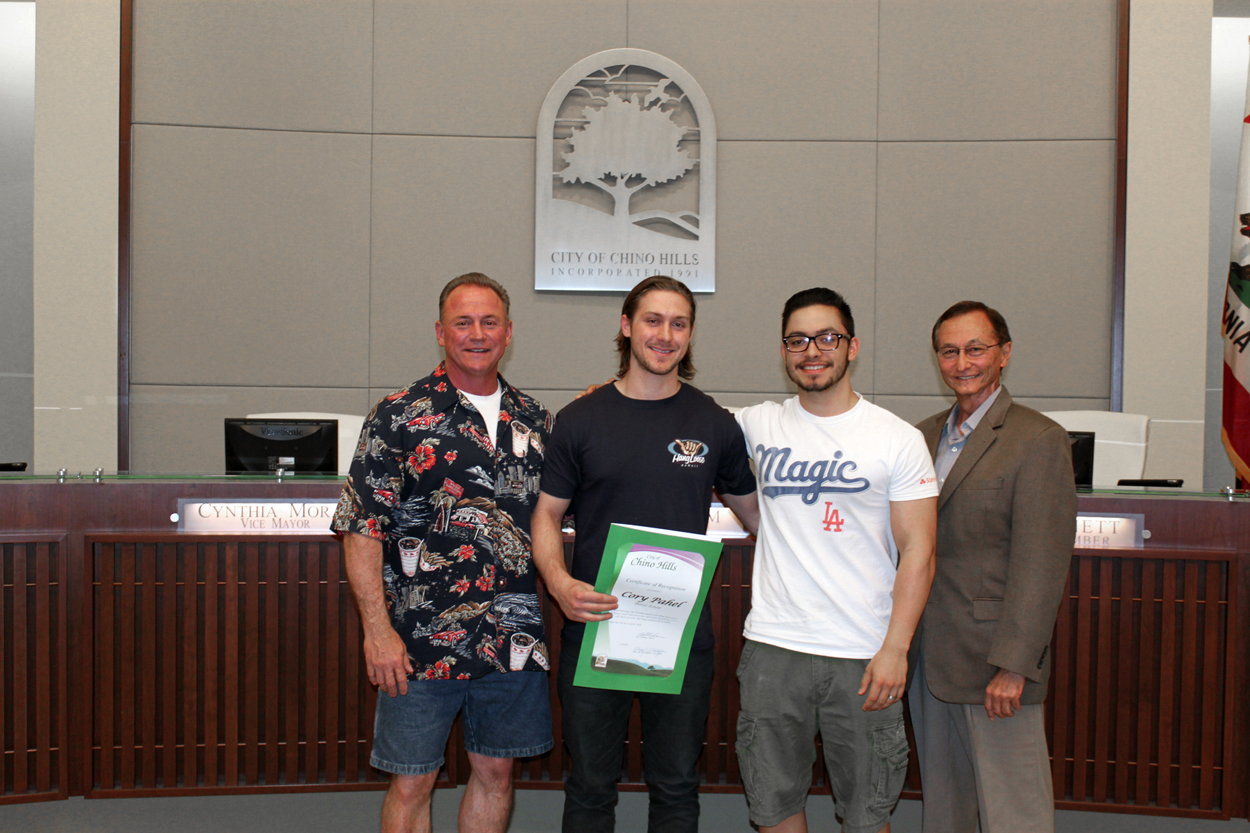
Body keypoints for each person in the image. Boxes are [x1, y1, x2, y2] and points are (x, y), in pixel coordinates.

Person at [531, 275, 760, 833]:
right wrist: (560, 585)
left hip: (681, 639)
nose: (665, 334)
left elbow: (761, 519)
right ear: (627, 326)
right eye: (653, 321)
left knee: (678, 788)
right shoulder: (581, 419)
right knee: (588, 788)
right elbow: (545, 516)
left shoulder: (713, 423)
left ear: (690, 334)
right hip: (596, 629)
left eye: (679, 323)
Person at [332, 272, 555, 833]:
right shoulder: (399, 415)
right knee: (412, 780)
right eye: (463, 322)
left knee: (496, 774)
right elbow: (361, 528)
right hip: (417, 639)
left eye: (488, 322)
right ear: (440, 332)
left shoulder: (538, 421)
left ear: (508, 332)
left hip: (513, 637)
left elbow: (558, 518)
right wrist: (377, 632)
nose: (476, 334)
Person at [733, 288, 938, 833]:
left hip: (865, 655)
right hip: (775, 650)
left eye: (827, 337)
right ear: (784, 351)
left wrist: (896, 648)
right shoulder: (755, 424)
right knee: (774, 809)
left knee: (868, 816)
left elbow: (919, 550)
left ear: (852, 347)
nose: (812, 350)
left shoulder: (897, 438)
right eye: (797, 339)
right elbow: (670, 419)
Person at [908, 300, 1078, 833]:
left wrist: (1015, 665)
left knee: (1015, 815)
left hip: (995, 667)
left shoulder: (1039, 439)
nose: (963, 363)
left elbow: (1042, 562)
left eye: (976, 349)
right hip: (928, 658)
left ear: (1004, 354)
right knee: (945, 811)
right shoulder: (921, 434)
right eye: (949, 351)